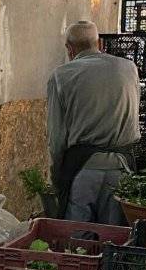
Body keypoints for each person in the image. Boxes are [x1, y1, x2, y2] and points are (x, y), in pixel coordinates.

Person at [46, 20, 140, 224]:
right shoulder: (129, 68)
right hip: (121, 169)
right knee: (114, 236)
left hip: (82, 171)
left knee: (78, 238)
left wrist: (57, 177)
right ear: (100, 43)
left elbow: (56, 138)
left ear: (69, 49)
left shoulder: (61, 75)